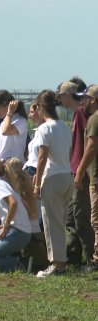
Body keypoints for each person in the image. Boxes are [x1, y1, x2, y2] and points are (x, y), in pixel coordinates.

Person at [33, 90, 73, 278]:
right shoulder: (64, 126)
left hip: (52, 178)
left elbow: (42, 157)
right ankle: (60, 262)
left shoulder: (44, 128)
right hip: (67, 176)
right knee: (61, 221)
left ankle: (57, 264)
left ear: (41, 107)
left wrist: (36, 183)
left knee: (52, 223)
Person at [58, 81, 95, 267]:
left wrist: (80, 170)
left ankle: (91, 258)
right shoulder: (80, 112)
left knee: (81, 216)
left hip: (81, 170)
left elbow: (89, 143)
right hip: (76, 169)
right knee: (71, 216)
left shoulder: (82, 113)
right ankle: (73, 256)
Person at [74, 85, 98, 272]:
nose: (82, 101)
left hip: (96, 177)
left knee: (96, 221)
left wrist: (80, 171)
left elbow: (91, 147)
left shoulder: (94, 119)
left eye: (85, 98)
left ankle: (96, 260)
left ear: (92, 100)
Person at [0, 90, 28, 162]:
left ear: (8, 106)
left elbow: (5, 131)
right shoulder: (4, 122)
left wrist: (10, 113)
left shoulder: (20, 120)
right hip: (2, 164)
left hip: (14, 166)